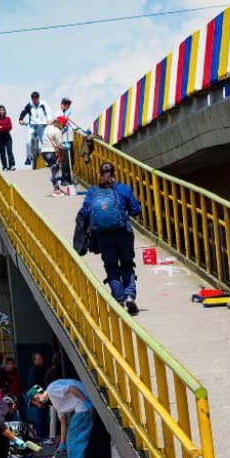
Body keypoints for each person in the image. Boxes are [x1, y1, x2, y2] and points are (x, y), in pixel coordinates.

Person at [79, 162, 142, 314]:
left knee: (111, 266)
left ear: (100, 174)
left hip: (103, 236)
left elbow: (85, 212)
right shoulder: (124, 189)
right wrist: (124, 213)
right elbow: (136, 210)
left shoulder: (93, 191)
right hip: (124, 233)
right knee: (127, 264)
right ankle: (129, 296)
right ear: (114, 173)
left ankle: (119, 299)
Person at [27, 380, 94, 458]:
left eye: (34, 403)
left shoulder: (52, 390)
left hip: (83, 407)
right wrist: (62, 444)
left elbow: (72, 388)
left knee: (74, 440)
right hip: (83, 406)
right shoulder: (55, 402)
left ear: (36, 397)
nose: (37, 406)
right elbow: (63, 422)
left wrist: (84, 401)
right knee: (80, 440)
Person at [18, 91, 49, 166]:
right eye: (33, 98)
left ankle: (47, 159)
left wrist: (49, 120)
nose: (34, 100)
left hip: (41, 126)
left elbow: (48, 113)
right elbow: (23, 112)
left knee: (44, 142)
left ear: (38, 98)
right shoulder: (29, 105)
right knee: (28, 142)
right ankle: (28, 158)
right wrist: (21, 119)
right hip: (32, 126)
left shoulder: (43, 105)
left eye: (36, 98)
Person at [42, 116, 69, 195]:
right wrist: (66, 146)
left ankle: (55, 186)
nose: (63, 127)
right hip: (51, 152)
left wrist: (62, 132)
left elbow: (52, 136)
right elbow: (59, 144)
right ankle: (56, 191)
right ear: (61, 124)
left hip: (44, 152)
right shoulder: (57, 131)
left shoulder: (48, 127)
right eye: (63, 125)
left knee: (53, 169)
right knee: (55, 171)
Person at [27, 352, 49, 439]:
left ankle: (45, 435)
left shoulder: (43, 368)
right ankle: (41, 436)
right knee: (40, 417)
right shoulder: (33, 371)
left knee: (44, 416)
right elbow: (33, 386)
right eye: (39, 359)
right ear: (34, 360)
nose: (41, 360)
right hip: (37, 396)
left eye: (41, 358)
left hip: (44, 395)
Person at [0, 105, 15, 170]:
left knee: (9, 151)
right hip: (0, 138)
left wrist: (1, 127)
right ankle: (5, 166)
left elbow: (10, 127)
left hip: (7, 137)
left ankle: (11, 165)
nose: (2, 111)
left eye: (3, 110)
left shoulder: (8, 119)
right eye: (0, 110)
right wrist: (4, 127)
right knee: (2, 153)